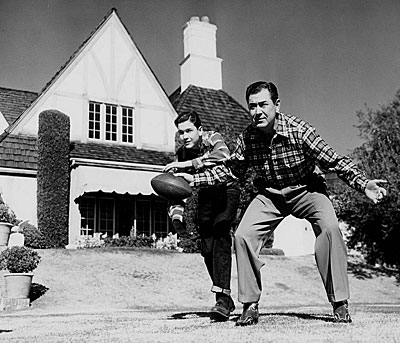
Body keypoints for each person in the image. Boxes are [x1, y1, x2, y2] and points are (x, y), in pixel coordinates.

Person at [228, 81, 387, 326]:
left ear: (277, 105)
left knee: (331, 230)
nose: (257, 111)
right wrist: (193, 177)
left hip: (307, 189)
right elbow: (231, 171)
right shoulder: (247, 137)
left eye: (263, 104)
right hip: (270, 195)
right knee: (242, 236)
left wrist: (363, 184)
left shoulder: (299, 130)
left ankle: (340, 303)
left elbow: (333, 161)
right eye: (252, 106)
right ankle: (250, 305)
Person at [163, 110, 240, 321]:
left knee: (221, 232)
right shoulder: (182, 153)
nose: (185, 136)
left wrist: (188, 165)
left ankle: (222, 299)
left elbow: (223, 154)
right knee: (206, 247)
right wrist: (177, 220)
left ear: (200, 130)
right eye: (181, 132)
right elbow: (175, 192)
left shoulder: (212, 137)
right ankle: (226, 299)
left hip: (227, 189)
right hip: (206, 192)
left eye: (189, 131)